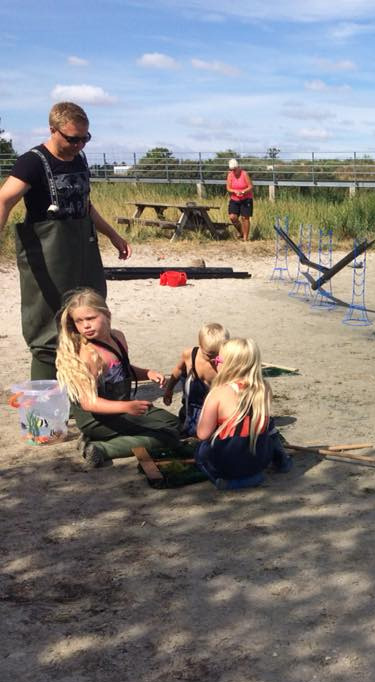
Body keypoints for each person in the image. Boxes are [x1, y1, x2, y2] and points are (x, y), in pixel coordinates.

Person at [0, 102, 131, 381]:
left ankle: (87, 387)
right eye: (73, 138)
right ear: (53, 130)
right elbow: (5, 199)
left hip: (83, 248)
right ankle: (47, 394)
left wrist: (113, 235)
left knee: (89, 314)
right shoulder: (32, 162)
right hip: (48, 253)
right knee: (49, 324)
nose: (79, 145)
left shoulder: (80, 159)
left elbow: (84, 204)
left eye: (85, 138)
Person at [55, 288, 181, 469]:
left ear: (106, 314)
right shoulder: (86, 355)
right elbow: (89, 403)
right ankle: (101, 448)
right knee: (168, 436)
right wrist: (127, 406)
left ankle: (114, 436)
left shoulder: (117, 337)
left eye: (90, 318)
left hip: (121, 408)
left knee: (174, 423)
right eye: (79, 321)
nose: (85, 326)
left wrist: (146, 373)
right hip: (97, 419)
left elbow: (121, 369)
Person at [194, 337, 292, 489]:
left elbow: (202, 434)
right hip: (259, 461)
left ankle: (226, 481)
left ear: (228, 365)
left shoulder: (219, 393)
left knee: (201, 452)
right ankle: (278, 461)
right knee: (267, 426)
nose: (215, 361)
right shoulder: (263, 388)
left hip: (224, 464)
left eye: (218, 358)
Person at [162, 322, 230, 437]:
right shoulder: (189, 355)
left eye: (217, 354)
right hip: (190, 410)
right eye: (209, 355)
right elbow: (177, 371)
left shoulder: (226, 362)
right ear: (200, 345)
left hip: (214, 414)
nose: (214, 359)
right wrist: (169, 390)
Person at [226, 158, 253, 241]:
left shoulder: (244, 174)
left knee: (245, 218)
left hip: (246, 198)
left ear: (238, 167)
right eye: (232, 170)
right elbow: (228, 188)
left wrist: (244, 192)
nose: (233, 171)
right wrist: (234, 191)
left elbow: (250, 186)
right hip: (235, 198)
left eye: (234, 169)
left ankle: (245, 238)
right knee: (232, 217)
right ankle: (241, 232)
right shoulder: (230, 175)